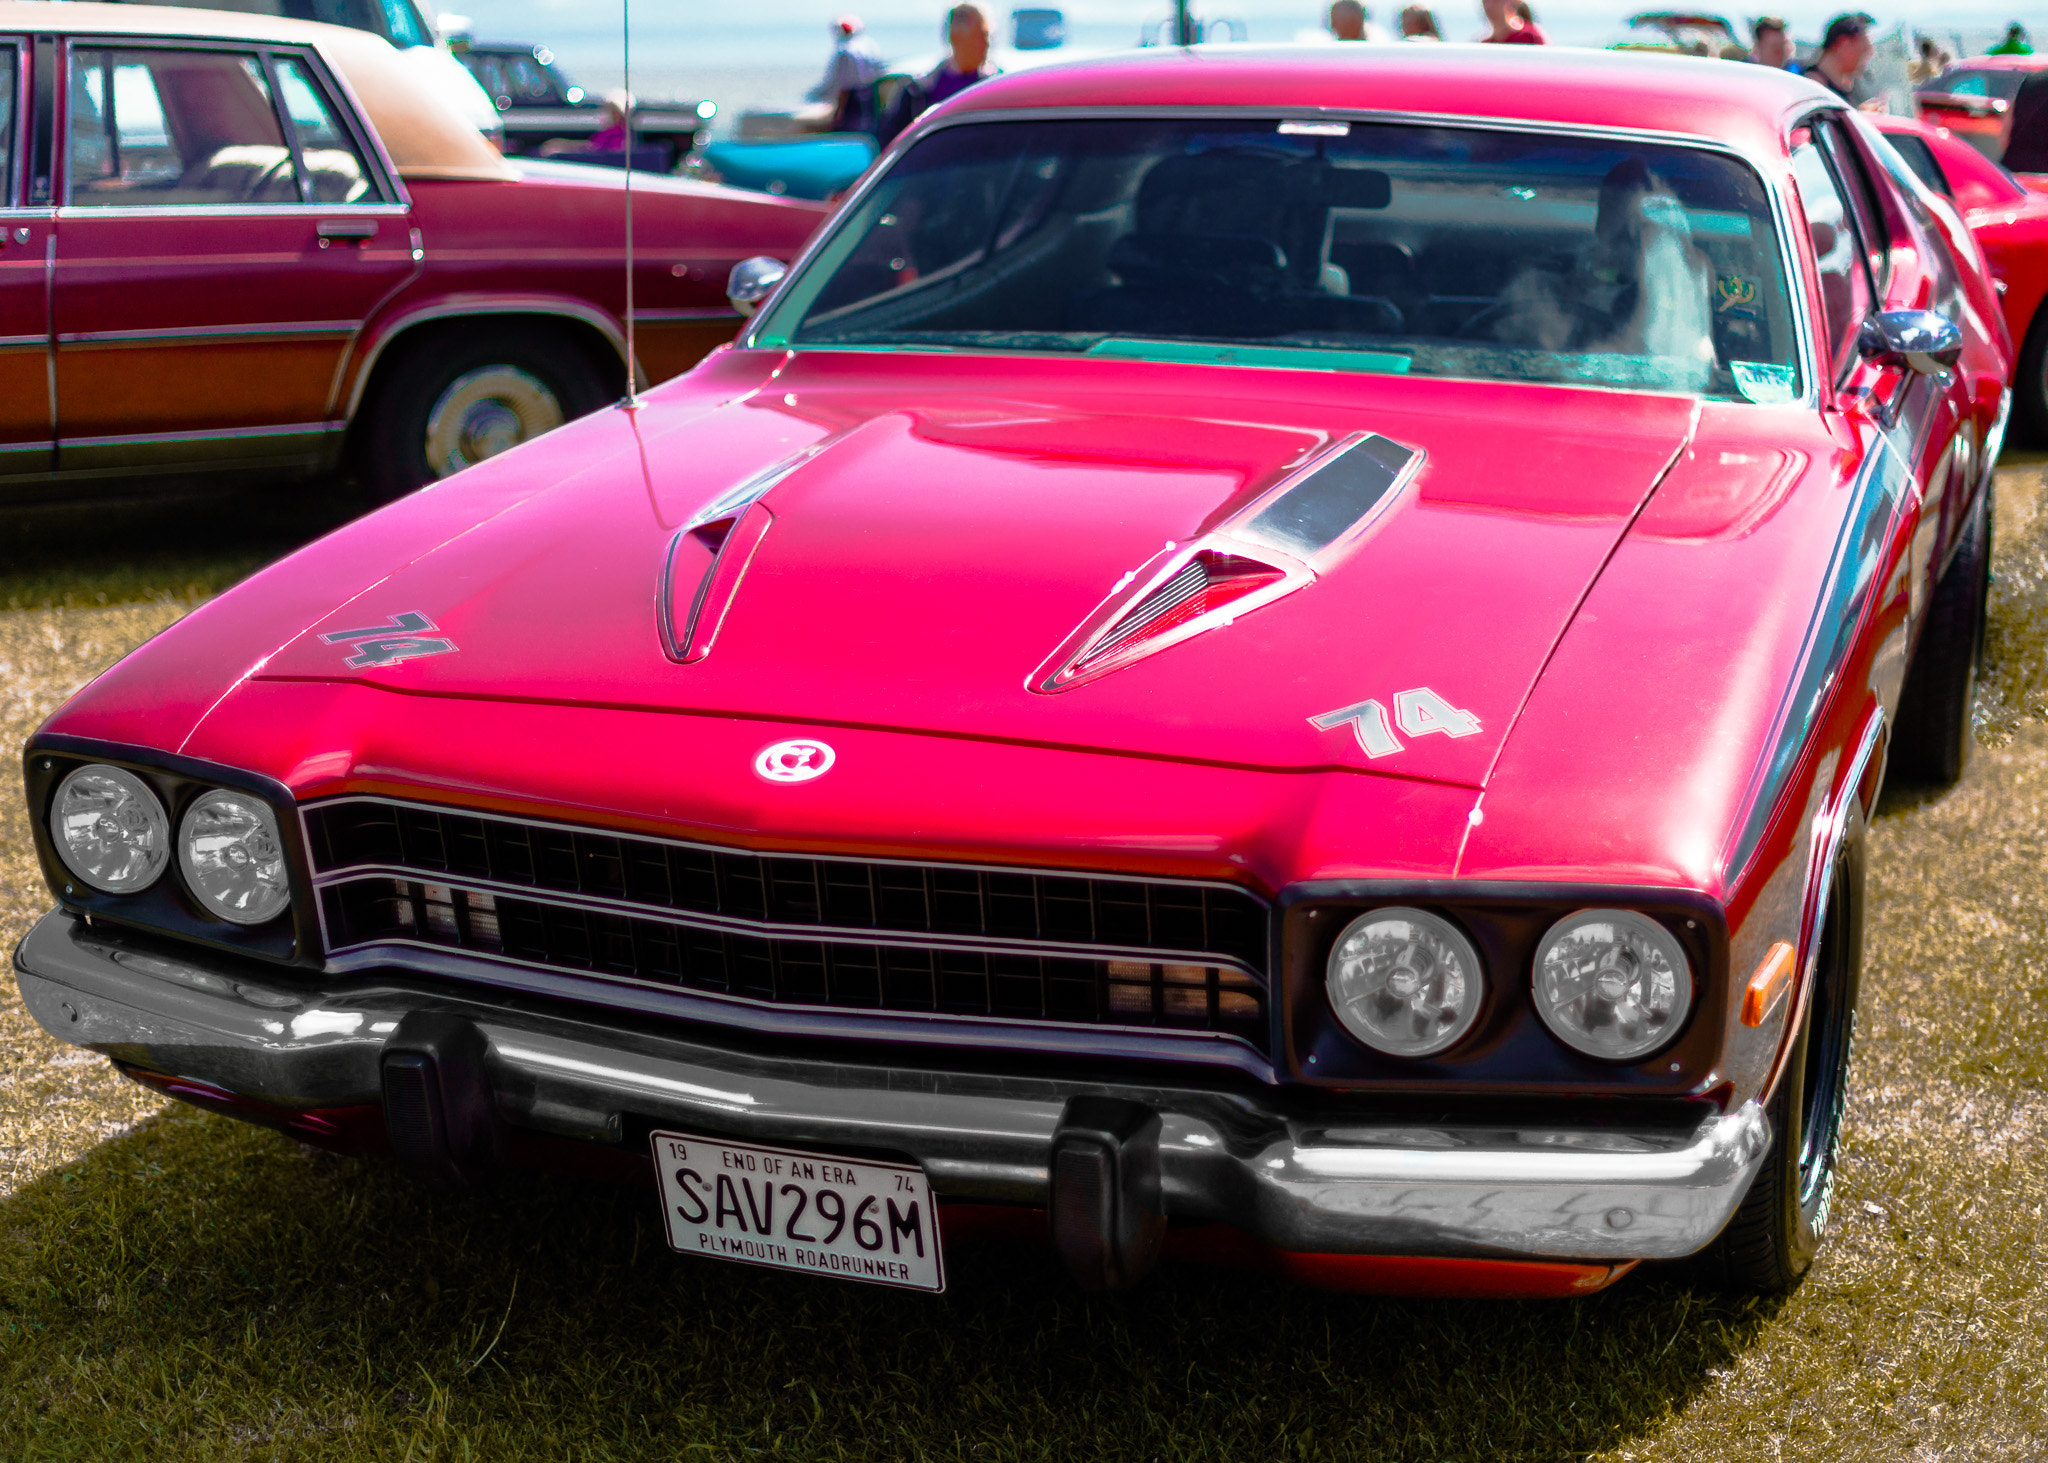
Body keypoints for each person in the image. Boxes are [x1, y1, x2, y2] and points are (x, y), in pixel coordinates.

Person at [880, 4, 997, 146]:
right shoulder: (917, 92)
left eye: (988, 36)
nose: (987, 43)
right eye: (981, 35)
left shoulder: (998, 86)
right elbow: (891, 141)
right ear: (955, 37)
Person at [808, 15, 888, 135]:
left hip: (852, 96)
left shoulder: (845, 51)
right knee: (867, 127)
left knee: (849, 128)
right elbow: (880, 71)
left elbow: (842, 84)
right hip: (870, 92)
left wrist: (838, 111)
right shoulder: (869, 46)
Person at [1802, 14, 1881, 109]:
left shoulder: (1851, 84)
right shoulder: (1812, 88)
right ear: (1844, 45)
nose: (1869, 55)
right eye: (1864, 49)